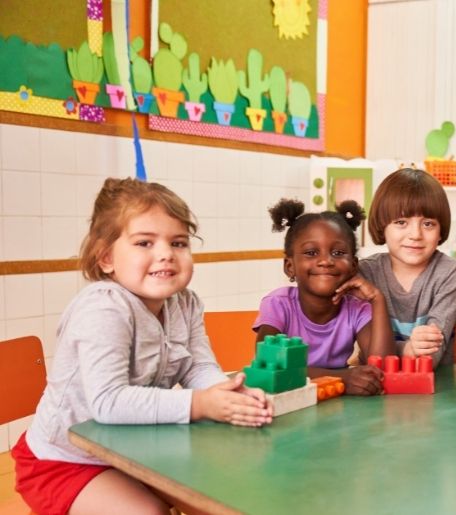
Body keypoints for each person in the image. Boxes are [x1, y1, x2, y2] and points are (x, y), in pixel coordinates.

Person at [13, 178, 272, 515]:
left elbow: (197, 366)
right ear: (106, 257)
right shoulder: (103, 307)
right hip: (63, 460)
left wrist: (226, 392)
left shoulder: (186, 302)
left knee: (218, 495)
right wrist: (201, 404)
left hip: (135, 449)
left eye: (178, 243)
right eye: (144, 243)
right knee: (149, 512)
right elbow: (108, 402)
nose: (165, 253)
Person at [255, 199, 393, 395]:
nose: (326, 261)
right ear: (289, 266)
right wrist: (343, 378)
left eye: (338, 253)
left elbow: (381, 368)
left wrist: (377, 300)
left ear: (354, 266)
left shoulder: (357, 308)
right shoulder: (278, 304)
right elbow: (269, 366)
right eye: (311, 252)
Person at [343, 168, 456, 367]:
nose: (415, 234)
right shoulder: (365, 273)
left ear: (441, 230)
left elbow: (430, 358)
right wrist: (407, 349)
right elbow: (367, 351)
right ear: (383, 226)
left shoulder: (451, 272)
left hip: (434, 390)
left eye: (428, 224)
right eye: (401, 222)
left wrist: (401, 351)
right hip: (375, 386)